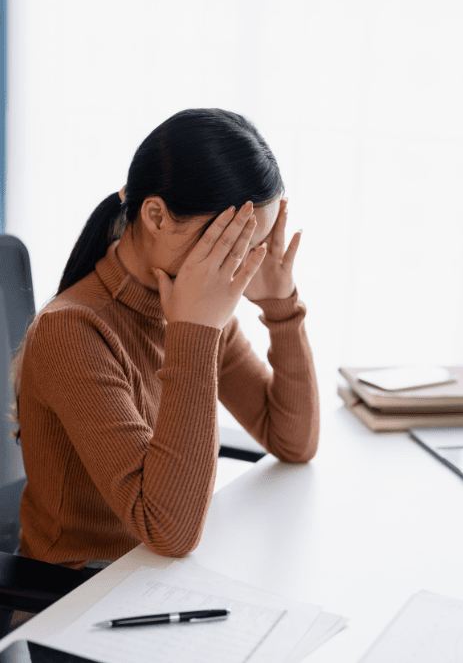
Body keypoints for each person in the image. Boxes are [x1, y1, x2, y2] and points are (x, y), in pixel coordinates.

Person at [7, 108, 320, 575]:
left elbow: (294, 441)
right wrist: (195, 333)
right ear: (155, 215)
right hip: (76, 602)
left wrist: (280, 304)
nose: (243, 264)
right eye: (231, 242)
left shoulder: (191, 305)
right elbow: (169, 529)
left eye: (256, 243)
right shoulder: (71, 331)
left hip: (155, 578)